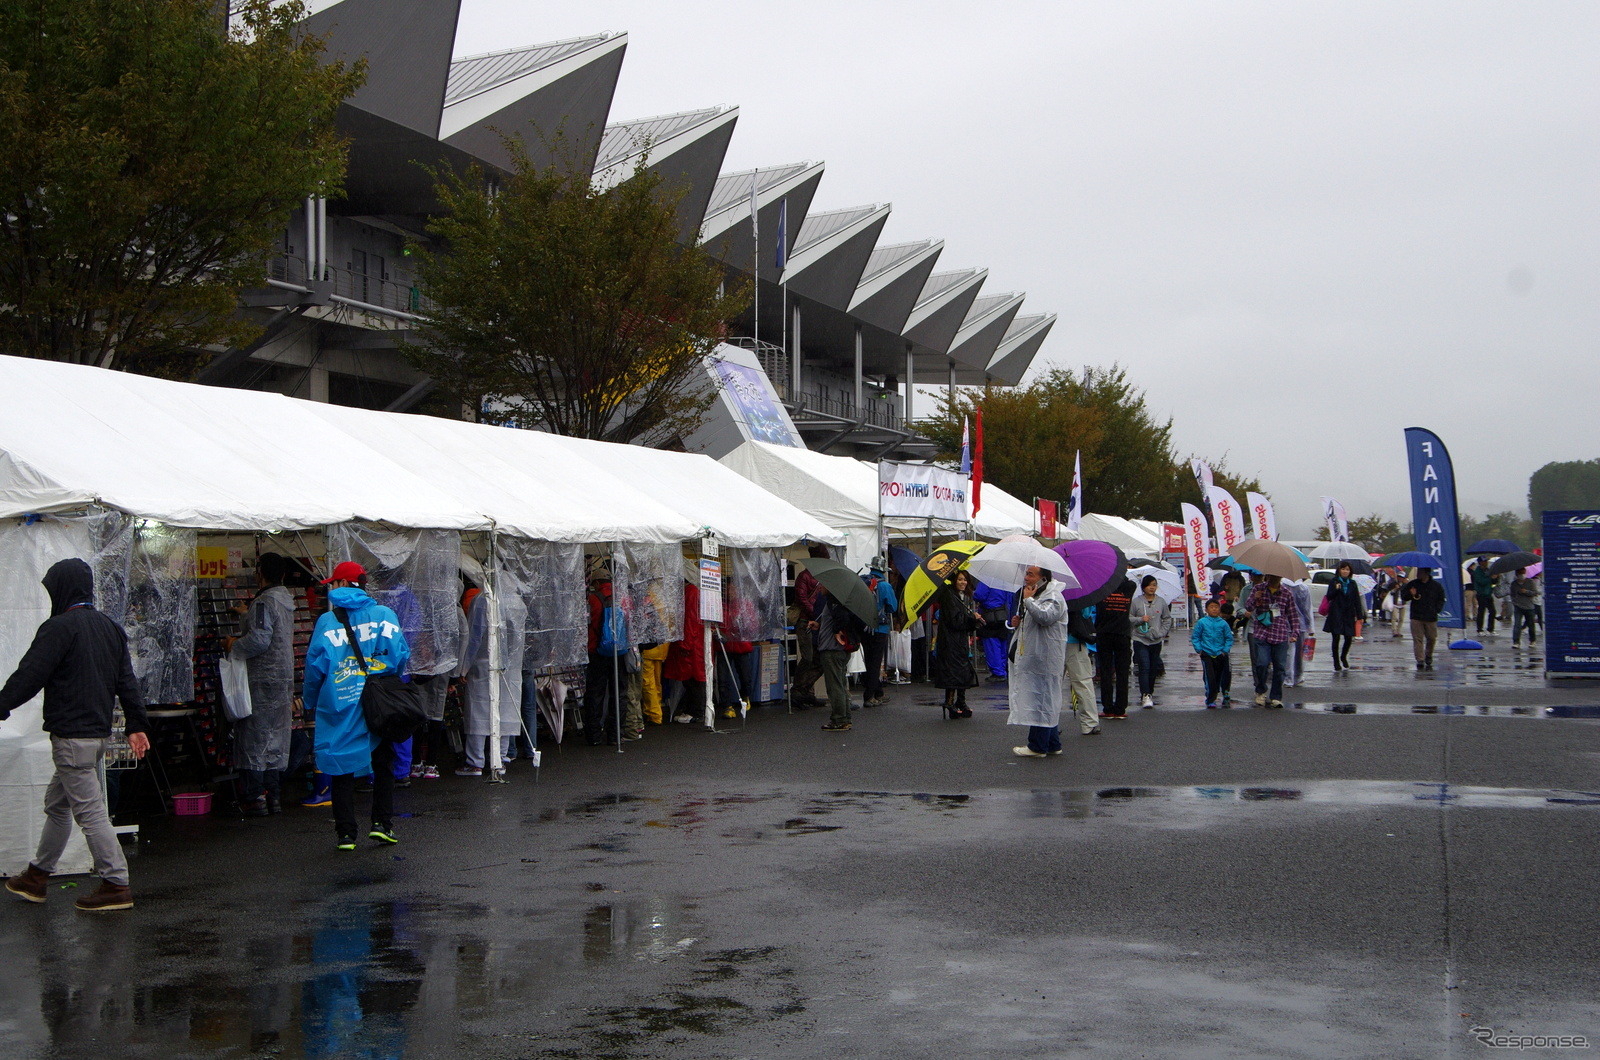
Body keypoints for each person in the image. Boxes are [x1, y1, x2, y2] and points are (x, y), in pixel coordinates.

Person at [1, 559, 150, 911]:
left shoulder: (59, 628)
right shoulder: (109, 628)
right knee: (58, 804)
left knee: (90, 812)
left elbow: (29, 675)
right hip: (96, 736)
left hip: (71, 738)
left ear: (62, 589)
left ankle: (116, 883)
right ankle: (36, 876)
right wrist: (136, 724)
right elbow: (126, 682)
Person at [303, 562, 410, 850]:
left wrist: (310, 702)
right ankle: (382, 824)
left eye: (333, 583)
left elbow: (314, 667)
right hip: (379, 699)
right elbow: (401, 654)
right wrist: (386, 677)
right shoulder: (384, 615)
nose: (330, 588)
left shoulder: (327, 622)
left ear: (342, 585)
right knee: (383, 761)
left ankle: (346, 834)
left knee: (341, 766)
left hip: (341, 700)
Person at [221, 552, 296, 816]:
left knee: (253, 735)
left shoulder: (264, 602)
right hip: (283, 678)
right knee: (276, 736)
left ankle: (255, 798)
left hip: (262, 678)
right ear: (283, 575)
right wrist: (247, 615)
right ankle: (273, 796)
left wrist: (233, 644)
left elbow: (260, 640)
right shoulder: (285, 601)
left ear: (259, 573)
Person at [1006, 567, 1068, 757]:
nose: (1026, 578)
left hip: (1046, 657)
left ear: (1043, 578)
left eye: (1030, 574)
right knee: (1044, 698)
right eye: (1026, 574)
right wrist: (1017, 621)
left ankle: (1037, 746)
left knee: (1041, 699)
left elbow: (1045, 616)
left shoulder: (1053, 596)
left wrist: (1028, 601)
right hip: (1037, 656)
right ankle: (1051, 743)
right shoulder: (1038, 595)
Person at [1244, 574, 1302, 707]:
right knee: (1262, 663)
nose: (1274, 579)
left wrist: (1294, 632)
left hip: (1280, 634)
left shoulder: (1286, 593)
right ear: (1267, 576)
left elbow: (1293, 615)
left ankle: (1276, 696)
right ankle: (1260, 690)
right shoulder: (1259, 589)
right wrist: (1255, 598)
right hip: (1262, 632)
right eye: (1271, 576)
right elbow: (1248, 607)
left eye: (1276, 577)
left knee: (1280, 667)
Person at [929, 570, 981, 719]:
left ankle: (960, 701)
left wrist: (973, 620)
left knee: (963, 670)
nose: (963, 582)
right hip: (950, 641)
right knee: (953, 671)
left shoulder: (961, 597)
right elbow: (955, 621)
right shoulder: (949, 596)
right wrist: (972, 618)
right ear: (954, 581)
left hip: (959, 640)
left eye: (965, 580)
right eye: (960, 579)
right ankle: (950, 702)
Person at [811, 585, 861, 732]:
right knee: (840, 684)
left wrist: (835, 631)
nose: (819, 587)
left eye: (822, 584)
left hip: (832, 649)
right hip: (839, 649)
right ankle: (845, 718)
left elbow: (841, 619)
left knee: (834, 686)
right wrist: (820, 626)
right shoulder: (838, 601)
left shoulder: (834, 601)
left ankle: (839, 719)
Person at [788, 545, 829, 707]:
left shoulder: (821, 576)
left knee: (818, 658)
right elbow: (801, 598)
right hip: (806, 621)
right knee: (808, 657)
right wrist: (815, 614)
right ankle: (799, 691)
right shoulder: (804, 576)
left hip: (817, 621)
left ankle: (804, 691)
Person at [859, 557, 899, 708]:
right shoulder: (885, 586)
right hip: (880, 628)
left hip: (864, 627)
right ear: (883, 570)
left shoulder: (863, 582)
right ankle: (869, 696)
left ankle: (878, 692)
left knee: (869, 660)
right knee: (876, 662)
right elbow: (892, 607)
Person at [1094, 576, 1136, 719]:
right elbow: (1131, 582)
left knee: (1105, 672)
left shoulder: (1101, 588)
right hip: (1122, 634)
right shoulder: (1129, 587)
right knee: (1122, 673)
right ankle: (1120, 708)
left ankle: (1108, 708)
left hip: (1104, 633)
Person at [1129, 575, 1171, 708]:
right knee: (1144, 666)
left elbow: (1167, 618)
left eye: (1154, 584)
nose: (1152, 587)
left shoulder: (1161, 601)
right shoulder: (1136, 602)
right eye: (1149, 585)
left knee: (1153, 668)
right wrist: (1140, 619)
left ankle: (1150, 692)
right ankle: (1145, 694)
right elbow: (1129, 618)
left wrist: (1162, 633)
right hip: (1140, 639)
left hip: (1156, 640)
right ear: (1143, 587)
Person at [1322, 562, 1366, 672]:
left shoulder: (1352, 583)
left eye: (1347, 569)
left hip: (1348, 613)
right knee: (1336, 637)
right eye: (1343, 569)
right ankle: (1336, 661)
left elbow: (1356, 599)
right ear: (1339, 570)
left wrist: (1360, 615)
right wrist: (1336, 589)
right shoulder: (1334, 581)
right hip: (1336, 613)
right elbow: (1329, 596)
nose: (1345, 571)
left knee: (1348, 637)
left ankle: (1343, 656)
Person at [1191, 597, 1235, 707]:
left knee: (1223, 675)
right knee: (1209, 677)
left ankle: (1225, 694)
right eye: (1211, 607)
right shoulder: (1202, 622)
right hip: (1207, 653)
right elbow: (1196, 637)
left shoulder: (1223, 623)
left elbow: (1229, 638)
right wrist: (1199, 650)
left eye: (1216, 607)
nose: (1214, 609)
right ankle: (1210, 699)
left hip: (1221, 653)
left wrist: (1225, 650)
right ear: (1206, 610)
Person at [1064, 605, 1100, 735]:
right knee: (1083, 683)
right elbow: (1086, 614)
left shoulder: (1045, 590)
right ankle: (1090, 723)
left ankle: (1048, 726)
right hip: (1075, 640)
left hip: (1053, 640)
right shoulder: (1080, 592)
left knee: (1050, 686)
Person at [1403, 566, 1446, 669]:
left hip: (1430, 617)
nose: (1418, 574)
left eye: (1420, 572)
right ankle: (1420, 659)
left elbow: (1441, 598)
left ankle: (1428, 655)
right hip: (1416, 616)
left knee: (1431, 638)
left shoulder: (1436, 586)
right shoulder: (1413, 584)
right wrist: (1411, 593)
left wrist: (1437, 609)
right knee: (1417, 639)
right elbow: (1404, 597)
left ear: (1426, 573)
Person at [972, 579, 1013, 682]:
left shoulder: (987, 579)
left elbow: (979, 595)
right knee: (1002, 644)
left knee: (991, 645)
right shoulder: (1006, 580)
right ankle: (1003, 670)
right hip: (1004, 616)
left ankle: (997, 672)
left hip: (989, 616)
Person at [1511, 568, 1541, 647]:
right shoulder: (1514, 584)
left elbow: (1535, 593)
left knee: (1531, 624)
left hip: (1529, 606)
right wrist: (1516, 599)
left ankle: (1532, 640)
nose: (1522, 575)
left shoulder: (1530, 582)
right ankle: (1516, 642)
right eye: (1520, 573)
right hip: (1518, 606)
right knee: (1517, 624)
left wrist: (1526, 592)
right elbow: (1512, 594)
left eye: (1523, 573)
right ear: (1517, 574)